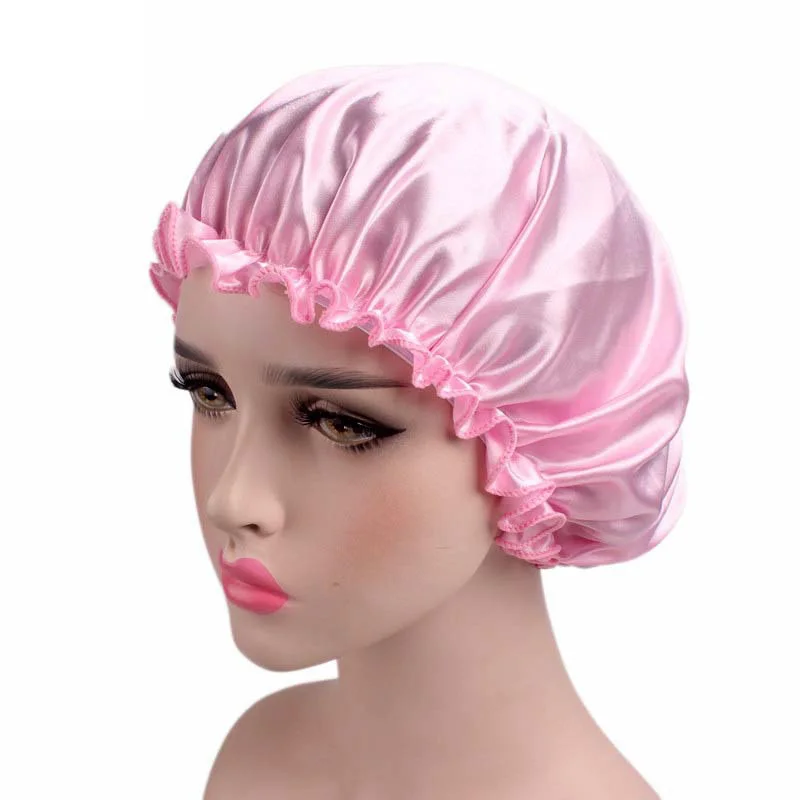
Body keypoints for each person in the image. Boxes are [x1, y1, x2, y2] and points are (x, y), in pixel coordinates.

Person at [150, 63, 689, 799]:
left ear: (537, 441)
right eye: (209, 392)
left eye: (340, 424)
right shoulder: (260, 756)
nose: (232, 500)